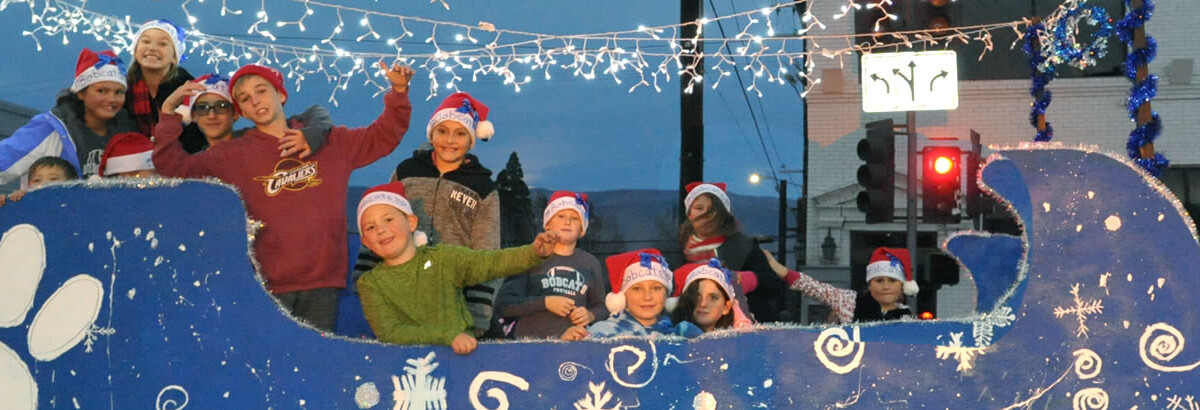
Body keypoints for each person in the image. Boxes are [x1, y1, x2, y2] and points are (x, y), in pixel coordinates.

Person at [152, 61, 414, 332]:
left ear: (281, 94)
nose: (255, 100)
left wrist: (398, 92)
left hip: (323, 281)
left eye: (261, 90)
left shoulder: (330, 142)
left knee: (314, 364)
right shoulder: (233, 154)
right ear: (241, 111)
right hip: (266, 283)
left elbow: (384, 136)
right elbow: (175, 168)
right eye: (245, 98)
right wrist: (169, 113)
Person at [352, 91, 502, 338]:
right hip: (401, 284)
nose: (450, 140)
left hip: (451, 293)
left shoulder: (483, 188)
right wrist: (365, 273)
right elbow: (379, 215)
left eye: (460, 133)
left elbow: (486, 252)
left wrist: (478, 312)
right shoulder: (407, 171)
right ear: (431, 133)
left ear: (472, 138)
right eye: (442, 131)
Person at [354, 182, 560, 354]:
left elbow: (491, 263)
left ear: (411, 221)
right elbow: (390, 332)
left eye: (388, 219)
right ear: (366, 241)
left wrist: (533, 253)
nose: (381, 230)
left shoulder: (444, 259)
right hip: (408, 370)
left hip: (461, 362)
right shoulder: (370, 284)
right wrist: (448, 336)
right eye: (370, 227)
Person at [0, 48, 138, 184]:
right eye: (102, 91)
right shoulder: (51, 127)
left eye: (119, 92)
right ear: (80, 93)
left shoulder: (130, 130)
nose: (112, 99)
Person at [493, 190, 608, 339]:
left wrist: (590, 315)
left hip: (572, 348)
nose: (567, 221)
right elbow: (504, 305)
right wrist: (546, 303)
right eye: (560, 216)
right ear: (547, 224)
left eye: (574, 218)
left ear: (582, 230)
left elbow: (602, 307)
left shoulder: (590, 263)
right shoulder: (531, 257)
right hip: (530, 348)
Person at [679, 182, 785, 322]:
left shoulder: (743, 246)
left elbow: (773, 287)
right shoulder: (680, 249)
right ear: (689, 214)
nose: (705, 214)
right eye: (699, 208)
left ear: (724, 215)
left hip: (744, 331)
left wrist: (748, 279)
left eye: (712, 210)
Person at [170, 73, 329, 156]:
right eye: (202, 108)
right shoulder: (199, 161)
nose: (212, 115)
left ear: (237, 113)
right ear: (194, 117)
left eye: (222, 106)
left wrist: (312, 135)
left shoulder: (258, 141)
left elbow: (315, 113)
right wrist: (168, 108)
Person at [563, 249, 702, 340]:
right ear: (622, 297)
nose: (647, 297)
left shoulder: (680, 335)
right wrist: (565, 348)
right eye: (637, 289)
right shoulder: (600, 335)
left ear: (667, 295)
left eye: (656, 288)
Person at [763, 247, 916, 323]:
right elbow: (814, 287)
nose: (886, 286)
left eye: (892, 280)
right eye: (879, 280)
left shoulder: (907, 317)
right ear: (870, 284)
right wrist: (779, 269)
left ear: (902, 286)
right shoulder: (849, 301)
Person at [667, 259, 753, 332]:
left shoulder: (735, 341)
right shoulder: (668, 332)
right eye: (697, 296)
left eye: (713, 298)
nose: (703, 304)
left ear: (726, 307)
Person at [0, 157, 78, 207]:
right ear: (28, 185)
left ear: (70, 184)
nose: (44, 184)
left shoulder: (77, 207)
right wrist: (8, 204)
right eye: (36, 180)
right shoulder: (24, 205)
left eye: (54, 179)